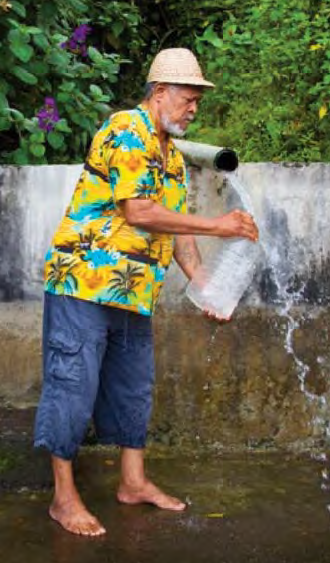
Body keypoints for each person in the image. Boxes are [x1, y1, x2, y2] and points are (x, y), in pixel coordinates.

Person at [33, 47, 259, 537]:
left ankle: (132, 482)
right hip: (83, 284)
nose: (194, 107)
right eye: (187, 97)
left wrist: (205, 287)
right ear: (159, 93)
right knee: (72, 385)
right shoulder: (126, 130)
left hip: (134, 293)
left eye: (198, 99)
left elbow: (176, 232)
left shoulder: (172, 158)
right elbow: (139, 212)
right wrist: (220, 226)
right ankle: (63, 498)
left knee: (135, 387)